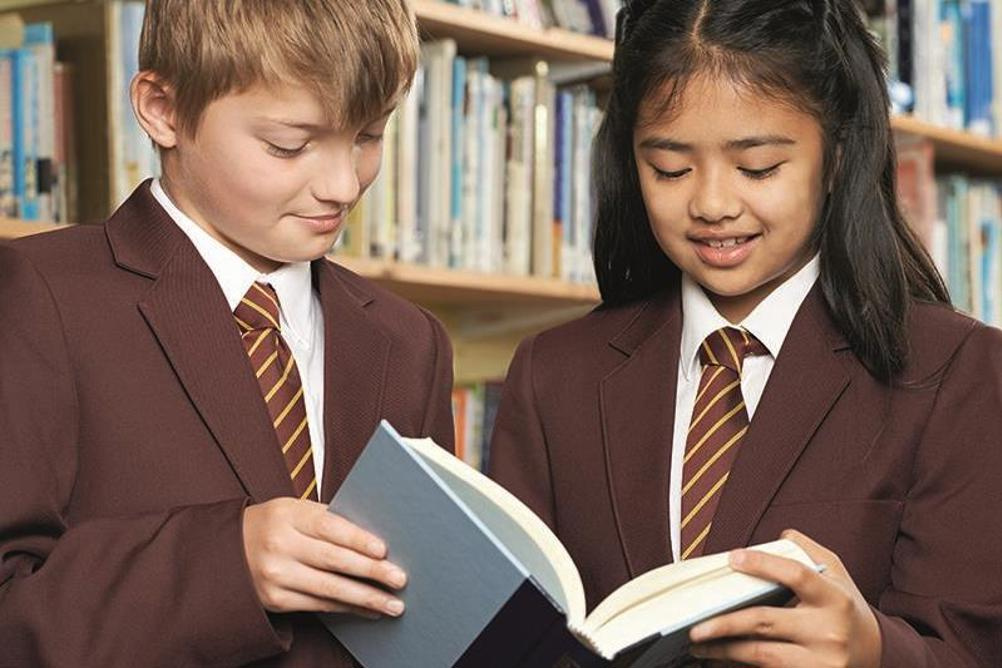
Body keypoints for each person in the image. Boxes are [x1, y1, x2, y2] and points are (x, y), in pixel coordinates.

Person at [489, 0, 1002, 666]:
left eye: (757, 168)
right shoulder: (552, 374)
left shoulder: (957, 372)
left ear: (838, 155)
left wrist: (875, 650)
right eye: (669, 169)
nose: (711, 204)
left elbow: (972, 646)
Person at [0, 1, 454, 666]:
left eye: (368, 137)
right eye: (288, 145)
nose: (341, 186)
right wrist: (225, 564)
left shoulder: (412, 342)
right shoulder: (41, 296)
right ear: (163, 109)